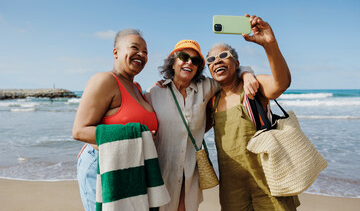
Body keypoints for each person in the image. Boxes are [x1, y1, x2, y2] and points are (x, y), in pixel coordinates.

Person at [145, 39, 257, 211]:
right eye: (184, 57)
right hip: (162, 173)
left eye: (196, 61)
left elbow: (229, 73)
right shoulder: (154, 93)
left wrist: (247, 74)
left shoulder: (207, 87)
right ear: (173, 62)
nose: (189, 62)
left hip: (190, 175)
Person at [207, 14, 299, 210]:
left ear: (236, 63)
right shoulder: (211, 100)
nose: (217, 61)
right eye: (211, 59)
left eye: (224, 56)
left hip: (269, 183)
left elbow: (280, 84)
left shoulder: (252, 87)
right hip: (232, 191)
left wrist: (269, 44)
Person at [72, 29, 159, 211]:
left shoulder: (137, 87)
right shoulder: (105, 80)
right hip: (102, 164)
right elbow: (79, 131)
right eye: (134, 48)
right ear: (116, 52)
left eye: (145, 52)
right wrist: (137, 137)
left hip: (130, 164)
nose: (141, 54)